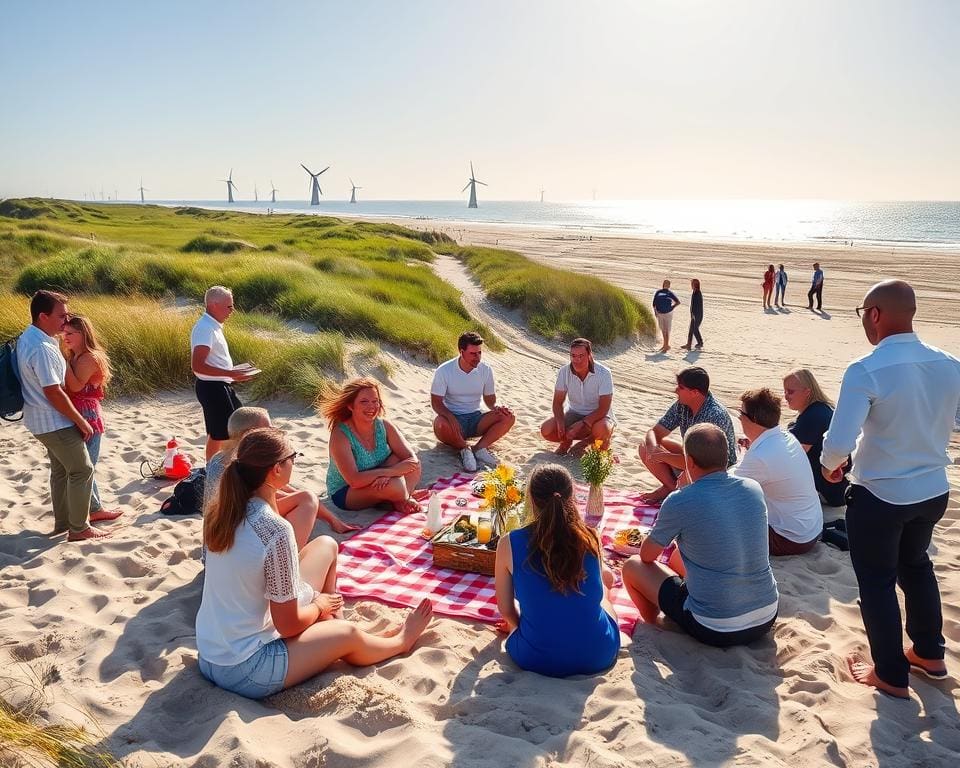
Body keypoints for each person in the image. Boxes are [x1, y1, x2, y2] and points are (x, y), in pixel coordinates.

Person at [196, 427, 433, 699]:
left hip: (211, 654)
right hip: (247, 668)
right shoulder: (274, 529)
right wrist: (319, 604)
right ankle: (398, 642)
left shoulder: (224, 510)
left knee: (326, 546)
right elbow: (288, 624)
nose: (294, 463)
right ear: (276, 470)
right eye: (292, 458)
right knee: (346, 634)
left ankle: (333, 626)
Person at [821, 280, 960, 699]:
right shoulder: (949, 363)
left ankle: (891, 674)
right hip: (933, 488)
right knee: (916, 566)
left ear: (876, 314)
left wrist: (831, 466)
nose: (864, 320)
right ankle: (930, 654)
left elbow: (839, 440)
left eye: (864, 312)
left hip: (882, 495)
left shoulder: (866, 368)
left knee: (878, 581)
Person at [622, 424, 779, 646]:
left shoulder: (680, 500)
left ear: (690, 462)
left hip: (715, 626)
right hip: (766, 614)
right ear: (726, 457)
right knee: (679, 557)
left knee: (633, 566)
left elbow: (647, 556)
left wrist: (682, 493)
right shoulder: (752, 488)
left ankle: (656, 624)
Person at [495, 464, 620, 677]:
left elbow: (506, 610)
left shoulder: (509, 543)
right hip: (598, 654)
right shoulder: (590, 537)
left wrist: (520, 627)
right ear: (571, 498)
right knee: (604, 598)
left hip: (535, 658)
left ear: (532, 501)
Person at [16, 291, 108, 541]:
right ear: (43, 316)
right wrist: (80, 420)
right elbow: (54, 392)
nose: (66, 321)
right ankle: (79, 529)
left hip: (38, 420)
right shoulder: (43, 347)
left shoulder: (28, 337)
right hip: (53, 421)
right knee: (81, 470)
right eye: (61, 315)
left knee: (60, 471)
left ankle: (63, 524)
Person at [205, 407, 359, 540]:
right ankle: (293, 554)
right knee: (307, 500)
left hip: (219, 539)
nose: (273, 431)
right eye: (268, 428)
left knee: (302, 497)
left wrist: (332, 519)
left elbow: (283, 489)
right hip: (239, 535)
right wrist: (325, 514)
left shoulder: (220, 457)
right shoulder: (246, 462)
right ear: (249, 433)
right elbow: (276, 497)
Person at [731, 388, 822, 556]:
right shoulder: (784, 437)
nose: (740, 418)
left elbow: (725, 485)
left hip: (789, 539)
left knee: (722, 510)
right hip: (810, 529)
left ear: (754, 419)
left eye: (741, 414)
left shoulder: (762, 455)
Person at [323, 378, 424, 515]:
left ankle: (398, 500)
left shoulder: (384, 426)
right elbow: (354, 481)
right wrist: (388, 473)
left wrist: (388, 473)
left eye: (375, 401)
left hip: (378, 478)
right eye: (364, 401)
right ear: (350, 406)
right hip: (346, 491)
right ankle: (401, 498)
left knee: (412, 467)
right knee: (397, 486)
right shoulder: (340, 435)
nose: (371, 406)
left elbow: (412, 461)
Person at [638, 366, 737, 504]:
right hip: (693, 459)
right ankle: (671, 488)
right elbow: (653, 432)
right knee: (645, 446)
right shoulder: (682, 405)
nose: (676, 390)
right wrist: (653, 448)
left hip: (715, 471)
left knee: (684, 477)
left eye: (680, 387)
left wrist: (663, 456)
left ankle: (675, 493)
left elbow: (701, 463)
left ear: (694, 392)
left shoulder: (714, 415)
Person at [61, 315, 123, 525]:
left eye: (70, 333)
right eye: (64, 332)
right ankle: (95, 508)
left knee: (86, 466)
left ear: (83, 334)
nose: (65, 337)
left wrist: (63, 361)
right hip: (76, 414)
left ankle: (95, 509)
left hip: (87, 416)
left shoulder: (89, 357)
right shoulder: (75, 355)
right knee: (83, 465)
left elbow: (76, 386)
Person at [431, 331, 515, 472]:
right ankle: (464, 449)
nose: (477, 358)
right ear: (461, 351)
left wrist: (497, 407)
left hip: (476, 418)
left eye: (479, 353)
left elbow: (490, 400)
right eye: (473, 354)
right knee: (439, 423)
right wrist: (450, 417)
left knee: (509, 416)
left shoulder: (486, 370)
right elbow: (436, 403)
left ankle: (479, 448)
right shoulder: (444, 371)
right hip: (453, 420)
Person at [191, 286, 256, 461]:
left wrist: (233, 372)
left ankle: (224, 467)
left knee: (239, 424)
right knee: (220, 433)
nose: (232, 311)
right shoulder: (205, 328)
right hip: (212, 387)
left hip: (220, 385)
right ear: (213, 305)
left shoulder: (213, 326)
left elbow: (212, 361)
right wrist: (230, 373)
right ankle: (213, 470)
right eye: (229, 306)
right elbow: (197, 366)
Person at [782, 368, 848, 507]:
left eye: (790, 391)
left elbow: (790, 457)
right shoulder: (823, 408)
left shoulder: (813, 416)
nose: (786, 396)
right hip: (838, 488)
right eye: (785, 391)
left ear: (807, 392)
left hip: (828, 491)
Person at [540, 338, 616, 455]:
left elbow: (603, 408)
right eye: (573, 356)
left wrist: (583, 423)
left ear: (590, 355)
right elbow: (557, 403)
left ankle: (587, 441)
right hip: (574, 413)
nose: (577, 360)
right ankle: (567, 442)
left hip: (599, 416)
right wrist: (560, 423)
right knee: (546, 430)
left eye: (581, 356)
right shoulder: (564, 372)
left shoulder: (604, 373)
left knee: (602, 430)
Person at [652, 280, 681, 353]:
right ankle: (665, 345)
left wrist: (672, 307)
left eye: (668, 284)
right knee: (662, 329)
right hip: (659, 313)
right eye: (665, 283)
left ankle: (666, 346)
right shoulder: (658, 292)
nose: (666, 285)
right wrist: (655, 312)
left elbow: (678, 302)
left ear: (669, 286)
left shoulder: (669, 293)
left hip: (668, 313)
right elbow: (654, 303)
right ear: (663, 284)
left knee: (667, 329)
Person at [679, 278, 703, 351]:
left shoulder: (698, 292)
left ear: (695, 285)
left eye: (692, 284)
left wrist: (694, 315)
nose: (691, 285)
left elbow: (698, 305)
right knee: (691, 330)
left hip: (698, 315)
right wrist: (692, 314)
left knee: (695, 329)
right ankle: (688, 345)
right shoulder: (694, 292)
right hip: (694, 314)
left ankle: (700, 342)